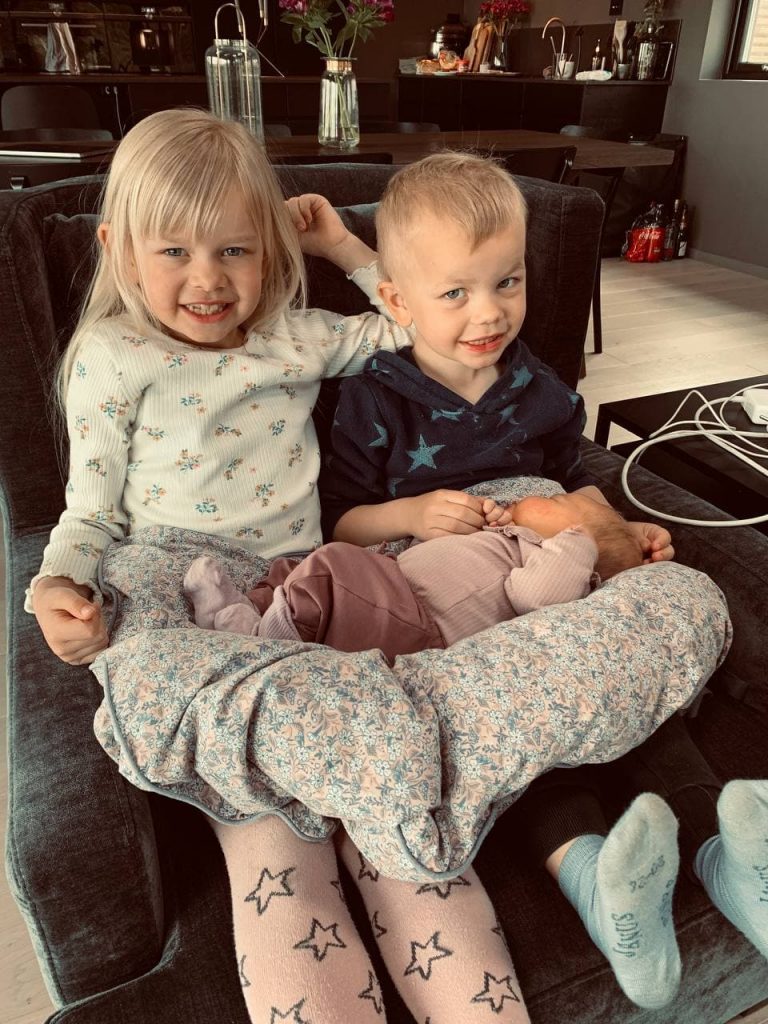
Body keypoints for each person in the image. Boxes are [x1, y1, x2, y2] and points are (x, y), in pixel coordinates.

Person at [27, 109, 532, 1024]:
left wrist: (342, 245)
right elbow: (88, 512)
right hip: (177, 586)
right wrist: (58, 587)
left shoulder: (298, 337)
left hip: (302, 589)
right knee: (267, 834)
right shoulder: (111, 356)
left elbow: (412, 319)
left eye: (235, 250)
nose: (208, 279)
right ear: (117, 250)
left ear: (269, 250)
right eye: (173, 252)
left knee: (394, 820)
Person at [291, 150, 768, 1011]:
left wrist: (624, 533)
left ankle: (724, 858)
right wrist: (409, 513)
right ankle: (594, 880)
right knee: (528, 721)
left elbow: (578, 481)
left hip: (563, 569)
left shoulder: (537, 384)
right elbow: (336, 526)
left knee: (637, 683)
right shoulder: (371, 400)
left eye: (506, 282)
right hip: (460, 604)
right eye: (456, 293)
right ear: (396, 300)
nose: (489, 312)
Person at [183, 491, 645, 658]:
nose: (546, 496)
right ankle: (243, 610)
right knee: (295, 569)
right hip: (389, 589)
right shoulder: (515, 539)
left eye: (560, 502)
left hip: (415, 620)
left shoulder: (558, 557)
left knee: (330, 570)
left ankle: (258, 643)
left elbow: (537, 598)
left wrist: (579, 543)